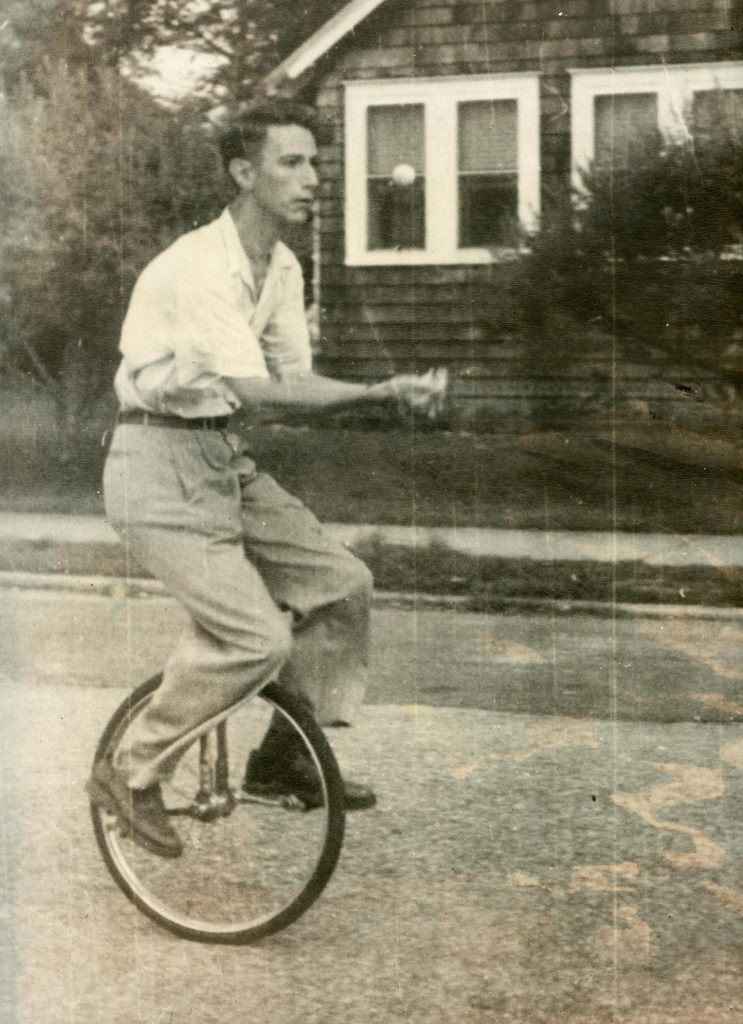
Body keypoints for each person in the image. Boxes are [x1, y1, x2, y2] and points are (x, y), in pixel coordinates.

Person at [86, 100, 446, 858]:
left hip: (219, 460)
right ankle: (132, 768)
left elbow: (293, 377)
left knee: (341, 584)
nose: (312, 178)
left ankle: (283, 757)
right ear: (243, 173)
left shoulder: (281, 266)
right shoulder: (196, 268)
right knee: (254, 638)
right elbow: (258, 392)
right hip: (154, 468)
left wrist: (374, 394)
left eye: (315, 163)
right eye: (291, 162)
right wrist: (378, 392)